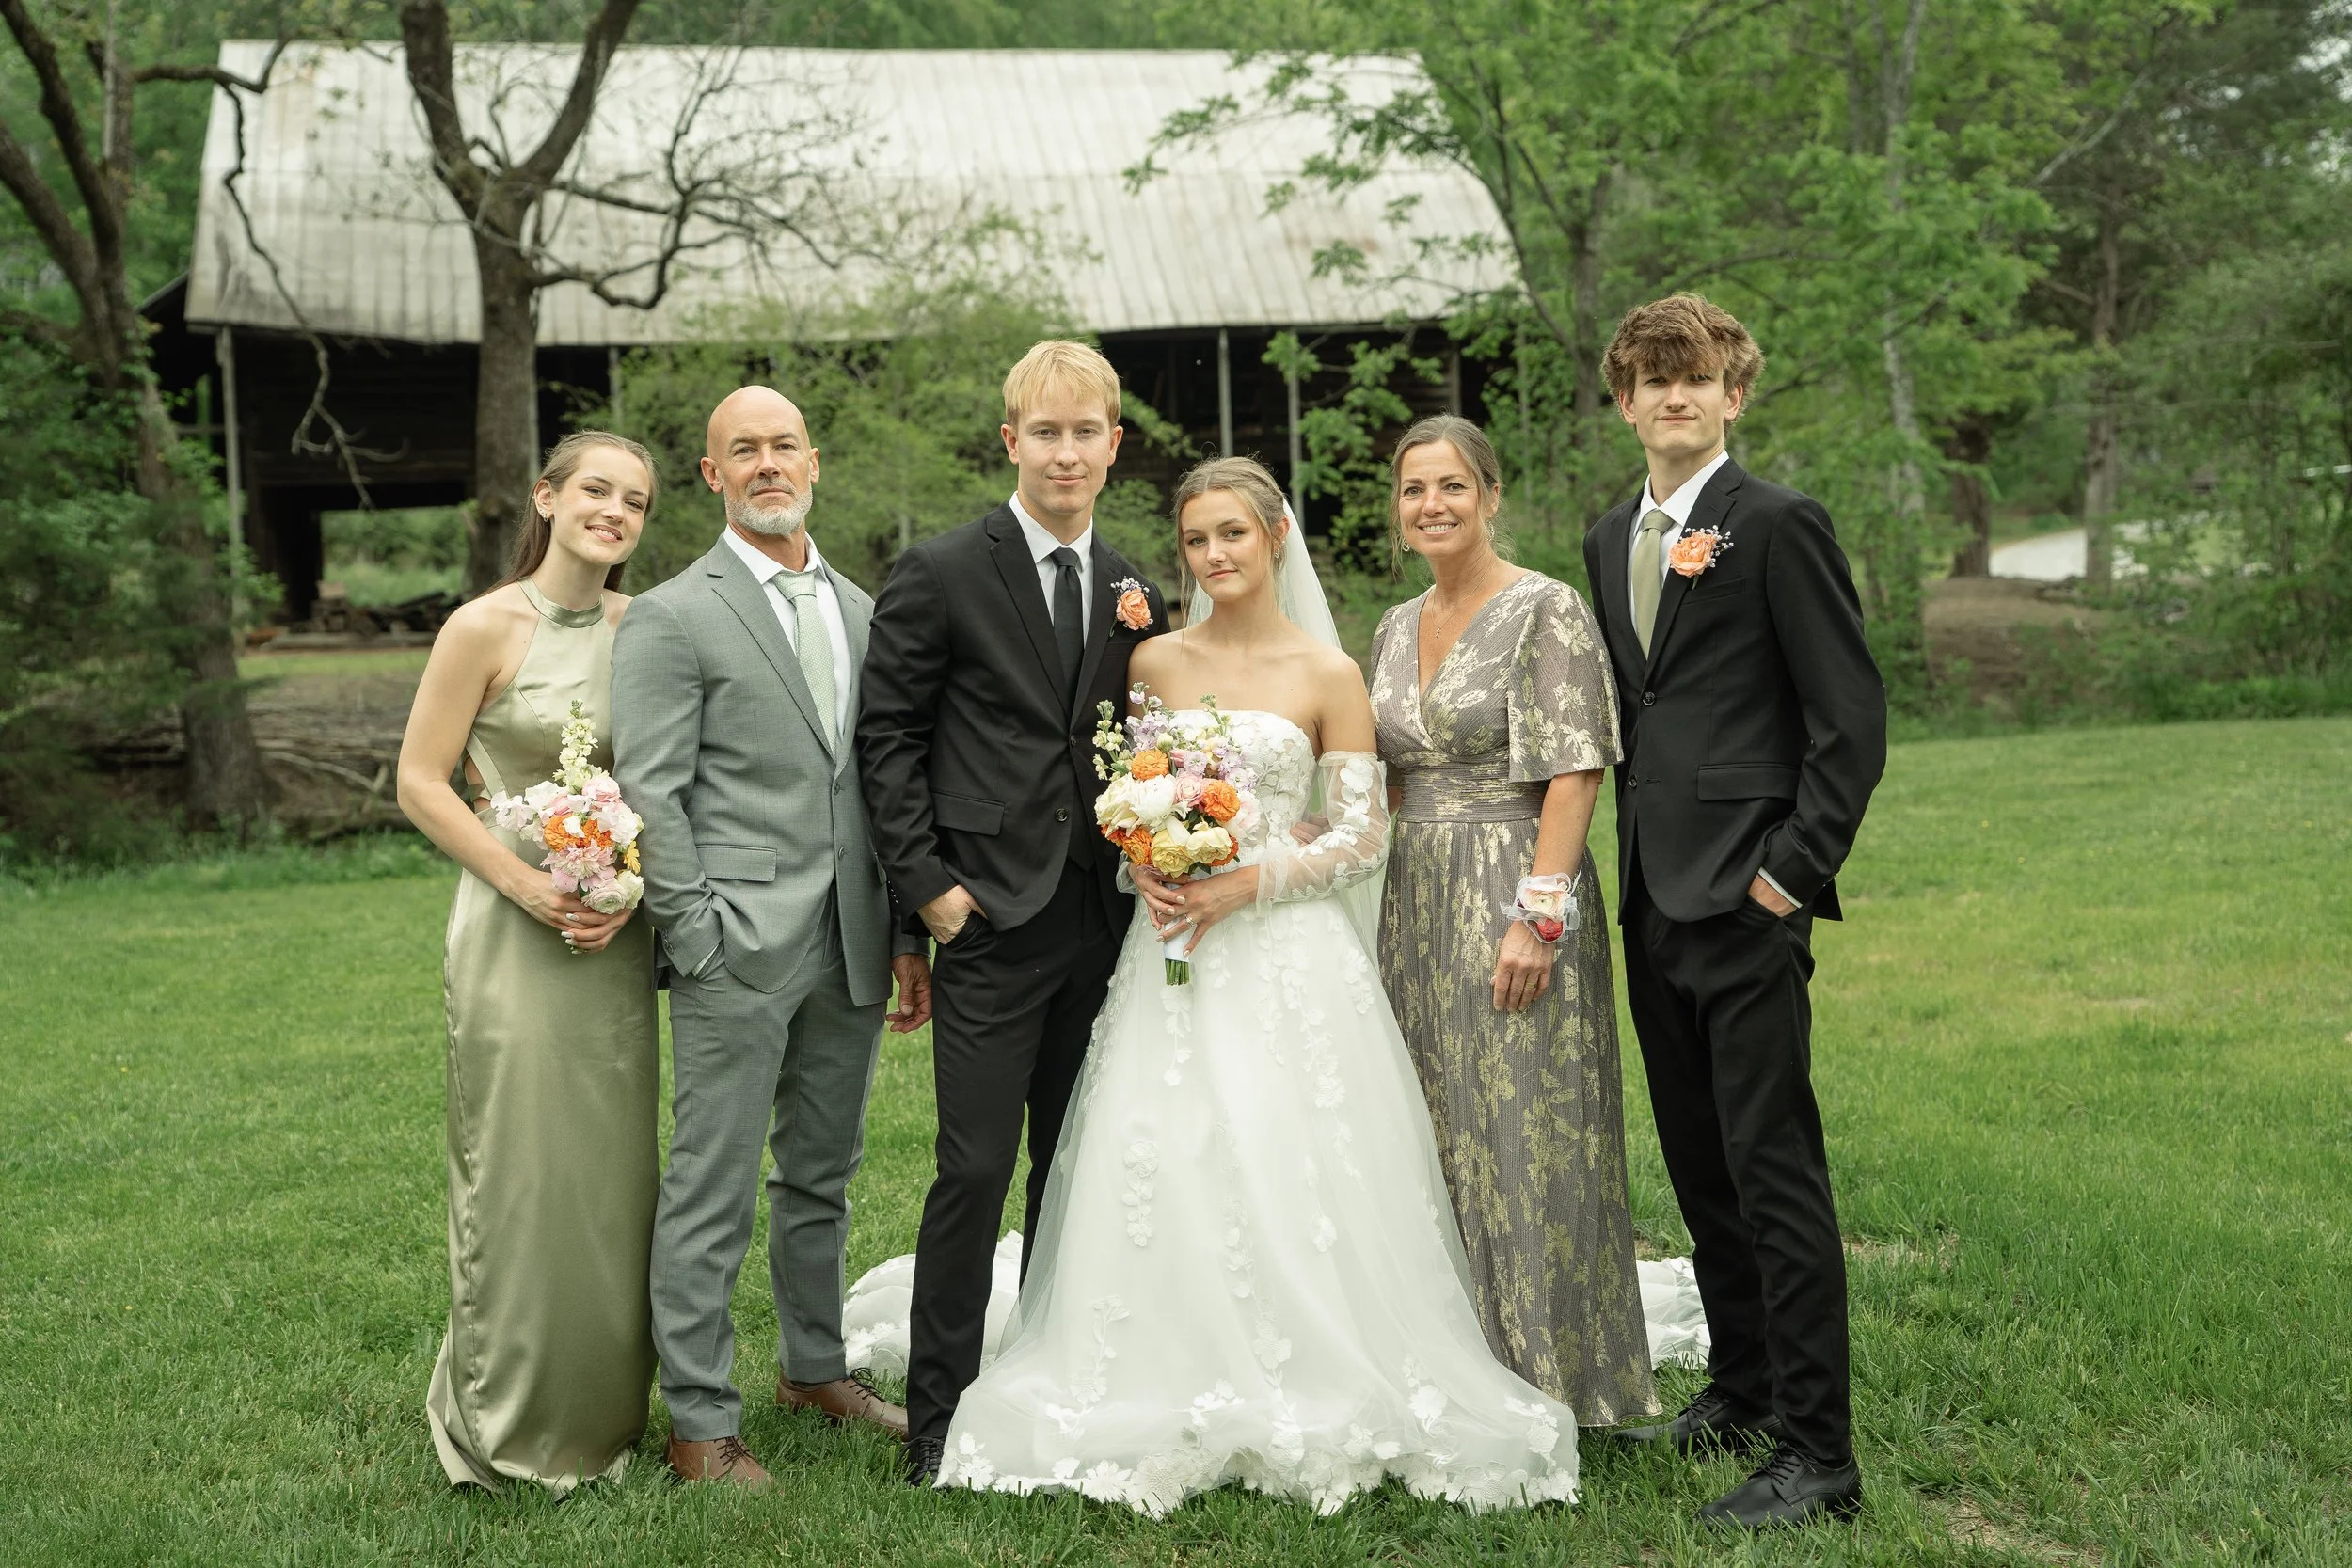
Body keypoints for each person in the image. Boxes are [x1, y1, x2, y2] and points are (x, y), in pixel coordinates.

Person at [930, 456, 1581, 1516]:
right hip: (1170, 947)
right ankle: (1148, 1351)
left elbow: (1365, 832)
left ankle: (1327, 1352)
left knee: (1294, 1146)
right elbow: (1124, 792)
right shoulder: (1152, 663)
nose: (1215, 554)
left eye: (1233, 532)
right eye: (1196, 539)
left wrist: (1250, 878)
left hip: (1287, 954)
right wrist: (1146, 854)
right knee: (1161, 1144)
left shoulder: (1329, 671)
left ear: (1275, 536)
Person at [1583, 293, 1886, 1528]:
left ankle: (1821, 1454)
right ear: (1624, 402)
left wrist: (1788, 873)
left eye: (1693, 378)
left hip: (1750, 899)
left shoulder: (1778, 525)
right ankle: (1747, 1387)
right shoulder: (1611, 536)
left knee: (1775, 1172)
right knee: (1702, 1166)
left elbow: (1848, 723)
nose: (1671, 399)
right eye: (1650, 381)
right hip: (1654, 893)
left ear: (1733, 395)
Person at [856, 341, 1172, 1486]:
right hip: (984, 919)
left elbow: (1156, 745)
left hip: (1104, 917)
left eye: (1086, 432)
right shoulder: (941, 570)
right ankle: (939, 1417)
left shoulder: (1138, 582)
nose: (1066, 451)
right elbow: (885, 742)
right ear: (1010, 442)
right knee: (974, 1167)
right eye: (1044, 431)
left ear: (1113, 445)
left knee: (1077, 1169)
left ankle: (1056, 1378)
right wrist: (928, 893)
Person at [610, 388, 932, 1490]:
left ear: (814, 461)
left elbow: (882, 782)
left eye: (782, 444)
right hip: (733, 947)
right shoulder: (672, 612)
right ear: (711, 474)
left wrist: (898, 935)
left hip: (849, 943)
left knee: (823, 1175)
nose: (765, 464)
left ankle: (813, 1368)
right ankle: (701, 1421)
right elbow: (652, 785)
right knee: (713, 1184)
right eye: (741, 450)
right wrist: (695, 933)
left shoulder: (860, 606)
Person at [1368, 415, 1657, 1429]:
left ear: (1490, 494)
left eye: (1451, 485)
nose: (1432, 505)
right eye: (1413, 490)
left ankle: (1552, 1378)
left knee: (1526, 1127)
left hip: (1512, 879)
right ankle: (1453, 1362)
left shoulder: (1547, 608)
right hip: (1412, 901)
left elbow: (1576, 769)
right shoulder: (1393, 627)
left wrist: (1537, 916)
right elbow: (1387, 780)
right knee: (1435, 1130)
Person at [394, 431, 660, 1490]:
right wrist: (524, 882)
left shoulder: (647, 629)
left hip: (610, 933)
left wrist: (622, 889)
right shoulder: (483, 625)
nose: (614, 510)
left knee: (608, 1181)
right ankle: (503, 1421)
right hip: (513, 925)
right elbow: (420, 780)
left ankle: (602, 1415)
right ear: (547, 497)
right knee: (515, 1170)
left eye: (635, 499)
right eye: (595, 489)